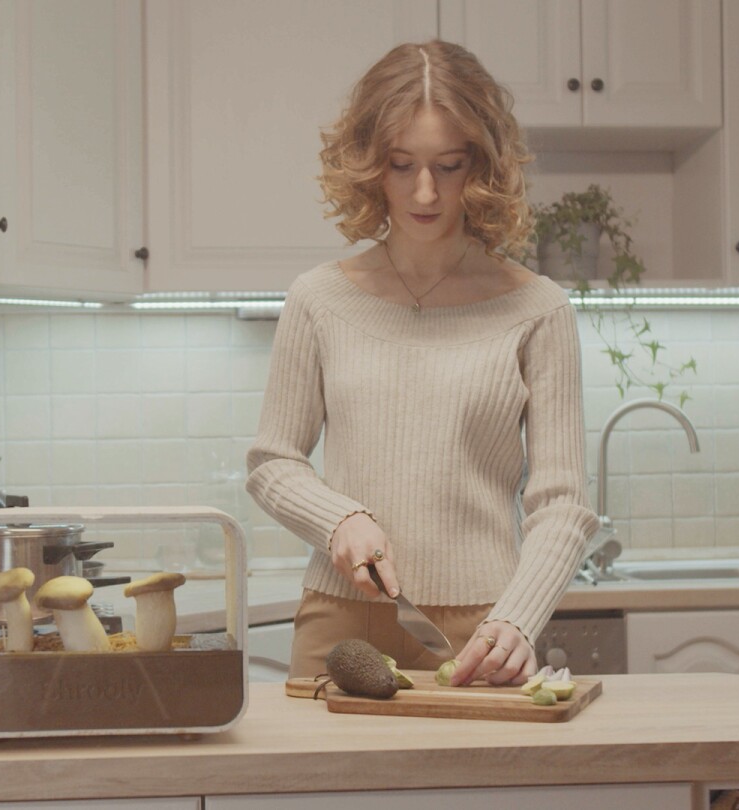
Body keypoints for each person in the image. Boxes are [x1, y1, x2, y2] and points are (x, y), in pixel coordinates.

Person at [245, 40, 599, 688]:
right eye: (402, 164)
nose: (426, 190)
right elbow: (272, 463)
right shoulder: (318, 299)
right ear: (370, 165)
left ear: (484, 166)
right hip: (340, 619)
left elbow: (562, 503)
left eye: (450, 165)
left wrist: (517, 620)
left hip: (481, 634)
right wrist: (339, 519)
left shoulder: (539, 311)